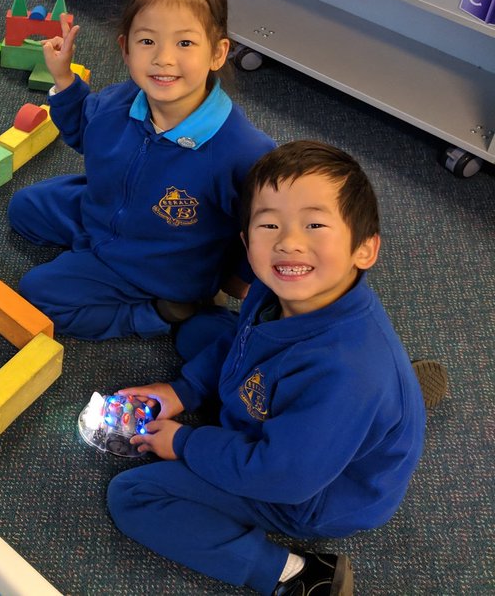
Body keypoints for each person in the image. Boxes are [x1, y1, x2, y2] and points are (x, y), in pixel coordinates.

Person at [106, 141, 427, 596]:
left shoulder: (348, 375)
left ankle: (292, 576)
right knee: (203, 332)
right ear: (247, 242)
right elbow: (240, 342)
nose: (289, 242)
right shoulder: (274, 285)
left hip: (312, 493)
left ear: (365, 249)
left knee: (135, 497)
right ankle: (386, 408)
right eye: (269, 224)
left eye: (315, 224)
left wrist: (185, 440)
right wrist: (184, 390)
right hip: (317, 396)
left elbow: (283, 477)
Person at [7, 0, 275, 340]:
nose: (163, 58)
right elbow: (83, 132)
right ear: (126, 49)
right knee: (23, 208)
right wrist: (64, 79)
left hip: (159, 266)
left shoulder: (244, 151)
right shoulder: (119, 101)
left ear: (217, 53)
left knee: (37, 296)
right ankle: (90, 250)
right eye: (147, 41)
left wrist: (238, 279)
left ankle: (159, 312)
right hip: (103, 214)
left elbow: (265, 227)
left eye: (184, 43)